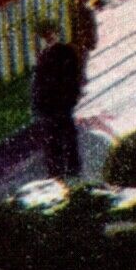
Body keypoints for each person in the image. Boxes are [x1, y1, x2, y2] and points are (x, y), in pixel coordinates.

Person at [31, 18, 82, 178]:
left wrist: (70, 97)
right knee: (56, 138)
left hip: (59, 102)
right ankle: (59, 170)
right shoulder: (47, 55)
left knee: (63, 135)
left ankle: (67, 169)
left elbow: (73, 77)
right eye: (45, 35)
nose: (48, 37)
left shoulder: (64, 51)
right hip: (50, 104)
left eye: (50, 34)